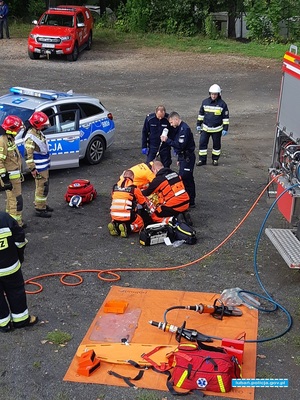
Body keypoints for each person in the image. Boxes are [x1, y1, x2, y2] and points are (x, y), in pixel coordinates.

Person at [0, 211, 38, 332]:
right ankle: (21, 319)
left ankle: (3, 324)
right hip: (10, 267)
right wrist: (19, 256)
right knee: (16, 291)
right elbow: (20, 240)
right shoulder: (5, 218)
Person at [160, 111, 196, 208]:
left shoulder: (184, 129)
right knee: (186, 178)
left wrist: (167, 140)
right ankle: (189, 199)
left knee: (185, 178)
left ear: (176, 119)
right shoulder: (179, 129)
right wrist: (179, 158)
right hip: (183, 157)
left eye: (171, 122)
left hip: (187, 157)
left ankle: (189, 200)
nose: (171, 125)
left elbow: (180, 145)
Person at [142, 161, 192, 225]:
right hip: (186, 203)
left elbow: (147, 193)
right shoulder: (175, 174)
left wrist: (139, 191)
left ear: (155, 170)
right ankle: (182, 213)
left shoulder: (159, 180)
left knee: (154, 213)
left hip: (174, 206)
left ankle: (174, 219)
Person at [23, 111, 53, 218]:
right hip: (39, 167)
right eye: (43, 125)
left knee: (44, 186)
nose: (45, 126)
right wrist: (32, 169)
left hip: (43, 166)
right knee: (42, 187)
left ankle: (42, 205)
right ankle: (40, 209)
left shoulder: (37, 132)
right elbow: (28, 155)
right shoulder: (31, 137)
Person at [108, 170, 151, 238]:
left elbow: (113, 197)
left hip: (113, 214)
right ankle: (128, 228)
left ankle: (114, 224)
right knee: (140, 222)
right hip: (127, 215)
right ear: (132, 177)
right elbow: (142, 202)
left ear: (124, 176)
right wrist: (148, 209)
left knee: (119, 215)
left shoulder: (114, 187)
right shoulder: (134, 188)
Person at [0, 115, 25, 227]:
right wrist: (5, 179)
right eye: (18, 129)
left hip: (14, 177)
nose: (19, 130)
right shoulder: (3, 141)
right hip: (9, 178)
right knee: (15, 201)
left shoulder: (10, 139)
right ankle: (14, 226)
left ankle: (12, 223)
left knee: (13, 201)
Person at [196, 84, 229, 166]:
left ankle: (215, 159)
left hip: (217, 129)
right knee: (202, 144)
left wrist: (225, 128)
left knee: (216, 145)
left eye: (215, 94)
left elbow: (225, 118)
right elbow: (201, 114)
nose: (213, 96)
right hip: (206, 129)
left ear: (218, 94)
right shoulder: (205, 102)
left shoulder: (222, 104)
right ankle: (202, 160)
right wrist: (198, 124)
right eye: (212, 94)